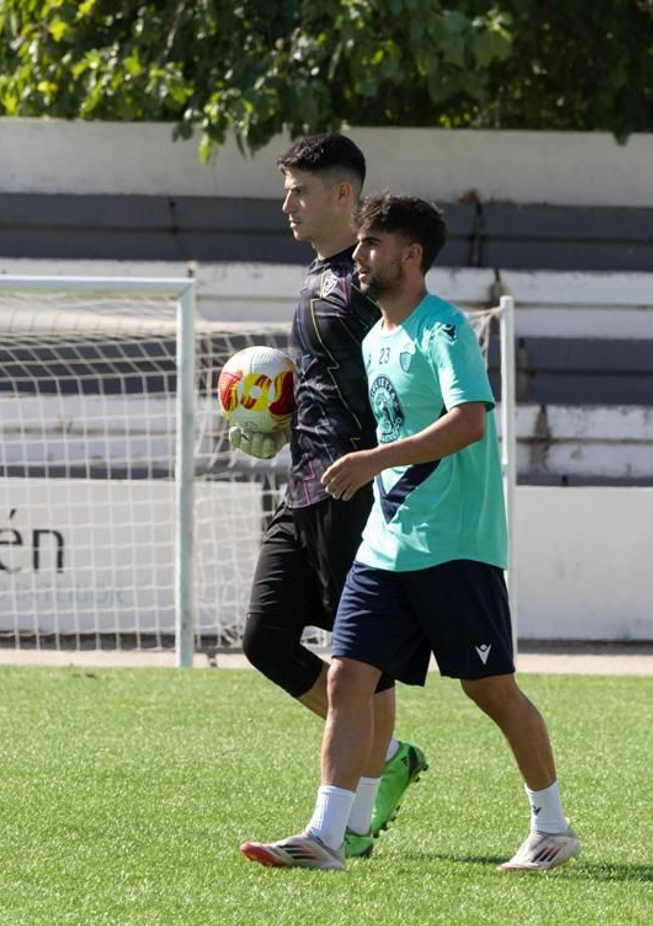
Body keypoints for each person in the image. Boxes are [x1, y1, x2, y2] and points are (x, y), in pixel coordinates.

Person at [239, 193, 580, 873]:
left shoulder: (445, 330)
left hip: (454, 542)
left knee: (491, 690)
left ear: (410, 255)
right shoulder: (375, 339)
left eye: (371, 244)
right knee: (345, 678)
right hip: (386, 542)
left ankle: (552, 826)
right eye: (360, 244)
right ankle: (326, 833)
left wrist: (374, 460)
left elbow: (468, 421)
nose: (359, 256)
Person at [228, 133, 426, 860]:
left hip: (357, 491)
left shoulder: (372, 283)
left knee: (361, 657)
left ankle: (356, 814)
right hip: (302, 487)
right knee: (265, 638)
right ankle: (391, 754)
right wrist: (277, 416)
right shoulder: (316, 275)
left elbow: (408, 379)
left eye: (300, 190)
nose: (287, 202)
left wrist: (386, 466)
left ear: (343, 196)